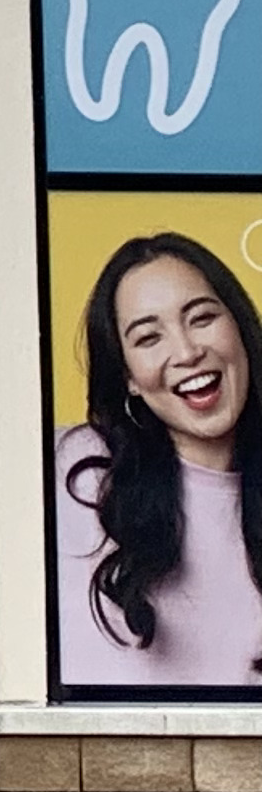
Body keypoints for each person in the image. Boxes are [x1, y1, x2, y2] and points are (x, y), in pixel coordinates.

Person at [55, 231, 262, 686]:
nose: (187, 352)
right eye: (149, 338)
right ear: (128, 376)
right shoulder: (70, 471)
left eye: (202, 318)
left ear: (240, 328)